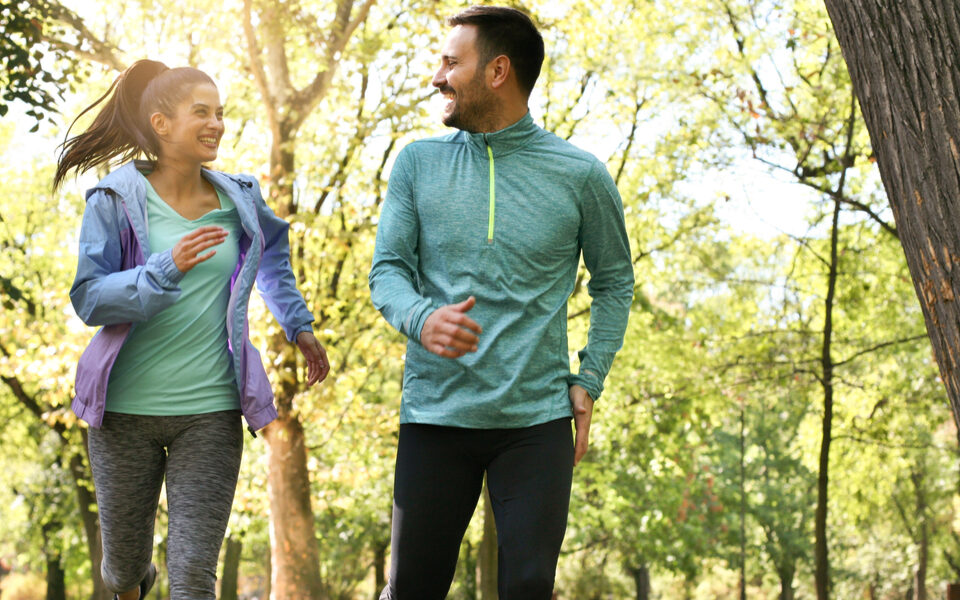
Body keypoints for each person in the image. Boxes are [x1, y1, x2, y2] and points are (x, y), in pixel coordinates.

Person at [369, 6, 634, 599]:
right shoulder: (418, 163)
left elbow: (614, 281)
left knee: (531, 583)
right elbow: (387, 271)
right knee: (411, 585)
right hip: (436, 414)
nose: (438, 77)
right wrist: (421, 318)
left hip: (535, 420)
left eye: (450, 62)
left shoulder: (580, 175)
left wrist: (589, 376)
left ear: (497, 71)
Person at [55, 59, 330, 600]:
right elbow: (89, 298)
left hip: (211, 411)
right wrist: (164, 268)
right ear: (161, 123)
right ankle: (131, 582)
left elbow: (273, 258)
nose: (217, 124)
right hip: (124, 412)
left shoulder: (240, 198)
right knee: (123, 567)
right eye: (201, 112)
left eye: (221, 113)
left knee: (193, 577)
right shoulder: (114, 200)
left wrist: (298, 324)